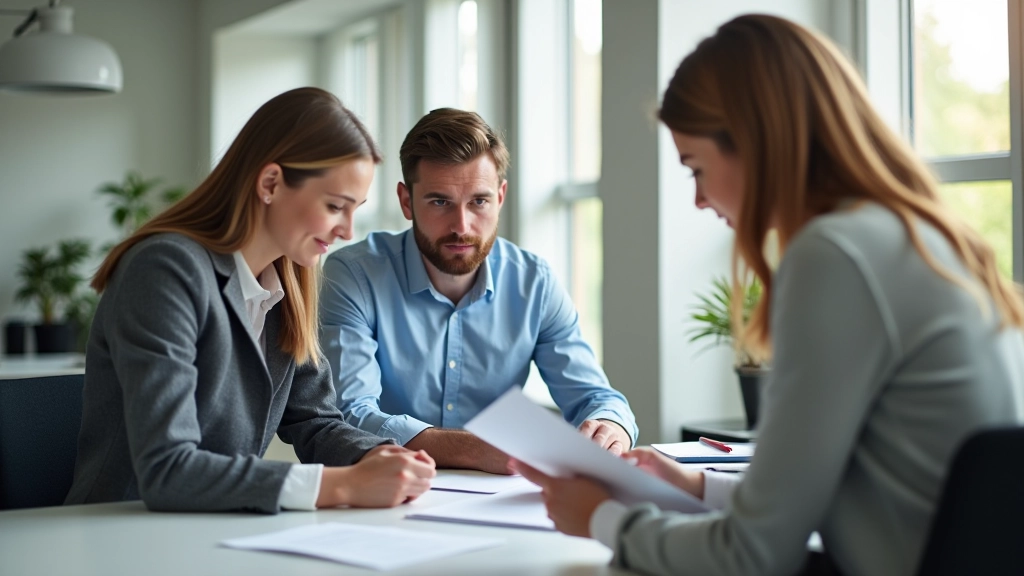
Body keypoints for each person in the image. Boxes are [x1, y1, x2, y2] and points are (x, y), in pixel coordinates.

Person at [513, 14, 1024, 576]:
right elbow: (854, 493)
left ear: (756, 143)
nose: (700, 200)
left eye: (697, 168)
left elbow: (751, 556)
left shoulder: (836, 255)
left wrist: (603, 519)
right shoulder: (922, 237)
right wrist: (696, 485)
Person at [65, 87, 436, 514]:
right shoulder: (164, 269)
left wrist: (378, 457)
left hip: (219, 531)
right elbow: (167, 470)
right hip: (120, 532)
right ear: (270, 183)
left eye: (356, 210)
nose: (347, 231)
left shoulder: (288, 285)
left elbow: (315, 420)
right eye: (336, 206)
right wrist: (345, 486)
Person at [319, 108, 638, 475]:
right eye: (440, 202)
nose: (462, 225)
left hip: (502, 500)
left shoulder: (534, 282)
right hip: (386, 492)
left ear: (500, 197)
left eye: (479, 201)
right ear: (406, 201)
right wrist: (475, 450)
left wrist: (610, 428)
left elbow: (596, 398)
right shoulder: (354, 275)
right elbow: (349, 416)